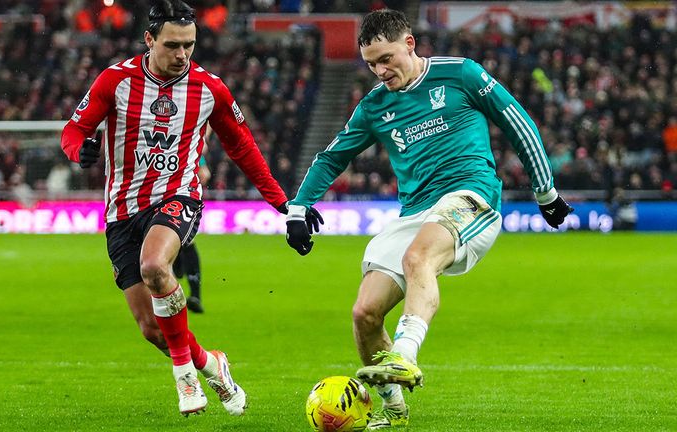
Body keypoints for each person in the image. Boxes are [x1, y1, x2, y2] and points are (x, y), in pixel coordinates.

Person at [285, 9, 573, 430]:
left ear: (410, 44)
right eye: (371, 64)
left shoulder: (462, 75)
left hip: (469, 196)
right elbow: (332, 157)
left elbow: (518, 123)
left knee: (419, 258)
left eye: (387, 59)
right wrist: (298, 207)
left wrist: (545, 192)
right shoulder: (374, 107)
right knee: (364, 313)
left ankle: (405, 354)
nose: (380, 71)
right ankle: (395, 410)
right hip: (414, 213)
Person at [61, 0, 319, 417]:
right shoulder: (116, 81)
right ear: (149, 40)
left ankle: (185, 377)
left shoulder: (210, 88)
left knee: (155, 267)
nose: (182, 54)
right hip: (121, 212)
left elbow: (243, 148)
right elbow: (75, 129)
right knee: (152, 330)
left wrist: (284, 206)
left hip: (177, 196)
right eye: (173, 45)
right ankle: (211, 363)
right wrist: (80, 150)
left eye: (189, 45)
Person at [173, 156, 211, 313]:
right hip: (170, 197)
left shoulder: (189, 146)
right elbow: (205, 175)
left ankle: (195, 294)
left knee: (185, 240)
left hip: (178, 198)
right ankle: (177, 263)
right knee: (182, 241)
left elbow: (205, 174)